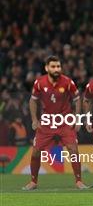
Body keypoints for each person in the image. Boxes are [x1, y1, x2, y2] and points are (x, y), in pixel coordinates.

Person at [23, 56, 88, 190]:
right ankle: (33, 182)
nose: (56, 69)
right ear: (47, 68)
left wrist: (77, 118)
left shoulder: (68, 82)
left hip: (65, 121)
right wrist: (35, 119)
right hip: (47, 121)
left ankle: (79, 181)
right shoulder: (39, 83)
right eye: (53, 67)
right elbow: (32, 100)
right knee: (36, 152)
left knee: (73, 149)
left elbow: (77, 99)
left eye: (58, 66)